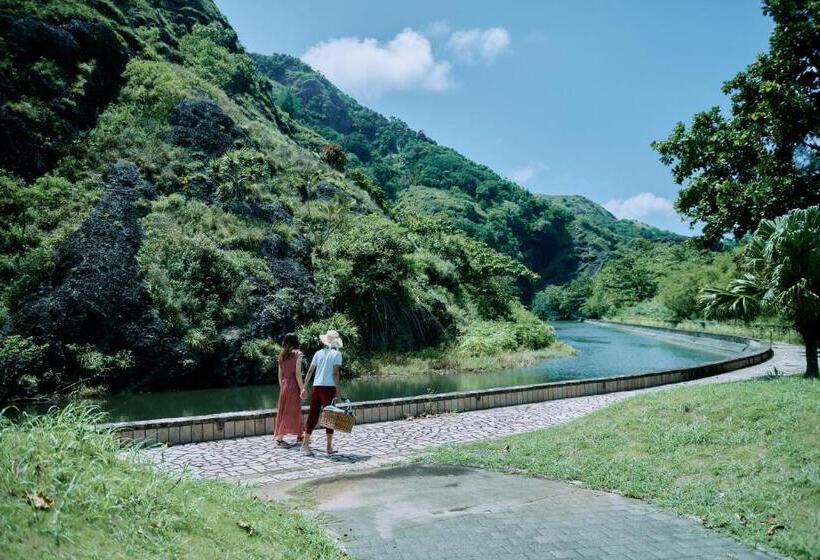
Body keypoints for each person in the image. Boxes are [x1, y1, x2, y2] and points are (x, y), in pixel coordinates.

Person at [301, 329, 343, 456]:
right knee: (330, 417)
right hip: (329, 388)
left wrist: (304, 387)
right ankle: (329, 447)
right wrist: (339, 392)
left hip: (316, 387)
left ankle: (305, 444)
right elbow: (335, 374)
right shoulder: (337, 354)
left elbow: (310, 371)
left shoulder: (318, 353)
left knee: (313, 414)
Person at [273, 333, 306, 447]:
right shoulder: (298, 354)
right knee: (290, 411)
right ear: (296, 341)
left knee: (289, 410)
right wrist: (302, 388)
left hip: (284, 385)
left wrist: (283, 387)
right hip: (293, 386)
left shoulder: (282, 355)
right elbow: (297, 373)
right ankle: (279, 439)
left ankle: (300, 436)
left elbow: (280, 375)